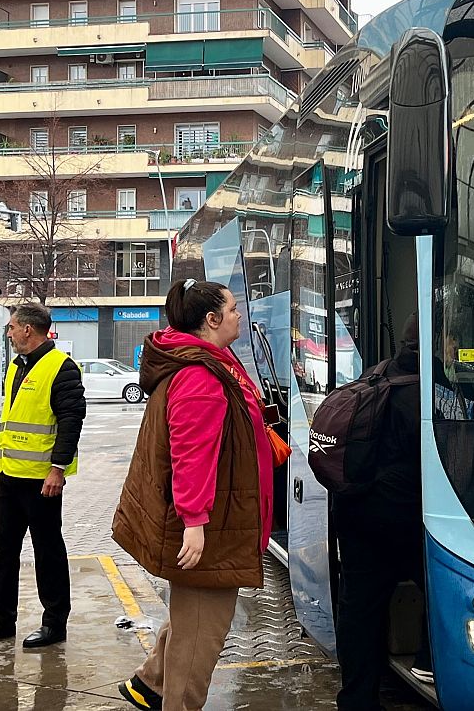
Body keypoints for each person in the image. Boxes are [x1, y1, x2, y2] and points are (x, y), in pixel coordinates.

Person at [113, 279, 274, 711]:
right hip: (214, 524)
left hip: (218, 517)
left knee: (191, 618)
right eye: (234, 308)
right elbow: (192, 455)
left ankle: (150, 684)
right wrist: (195, 522)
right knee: (201, 634)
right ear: (212, 319)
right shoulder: (201, 375)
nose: (240, 315)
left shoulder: (202, 363)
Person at [0, 302, 86, 649]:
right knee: (4, 551)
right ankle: (2, 619)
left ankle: (54, 624)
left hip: (41, 481)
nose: (8, 332)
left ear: (28, 330)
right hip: (8, 476)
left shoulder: (61, 368)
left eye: (11, 327)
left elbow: (71, 422)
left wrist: (57, 469)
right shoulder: (16, 367)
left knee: (47, 551)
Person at [333, 316, 434, 711]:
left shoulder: (379, 375)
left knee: (360, 608)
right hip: (403, 517)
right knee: (444, 587)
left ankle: (357, 699)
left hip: (356, 512)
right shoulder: (429, 396)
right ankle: (429, 662)